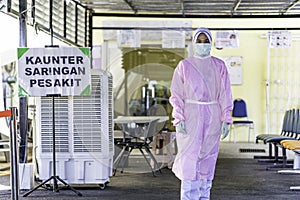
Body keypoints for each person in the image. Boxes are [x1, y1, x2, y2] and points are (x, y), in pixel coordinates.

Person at [169, 28, 233, 200]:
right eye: (200, 41)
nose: (203, 44)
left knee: (208, 157)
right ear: (194, 43)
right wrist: (179, 117)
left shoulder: (219, 66)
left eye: (206, 41)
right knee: (190, 158)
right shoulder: (185, 66)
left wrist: (226, 119)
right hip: (191, 117)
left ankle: (204, 196)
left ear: (211, 43)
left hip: (213, 116)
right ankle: (188, 196)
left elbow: (225, 93)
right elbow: (176, 94)